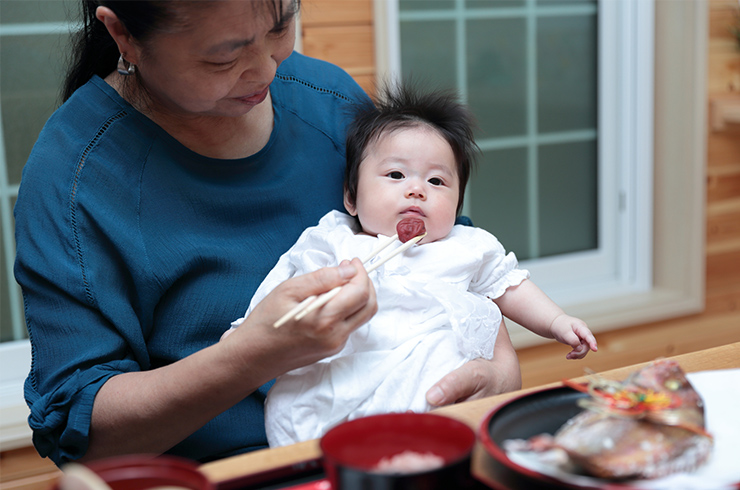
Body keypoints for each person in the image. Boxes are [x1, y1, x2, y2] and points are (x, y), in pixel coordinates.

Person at [13, 0, 523, 466]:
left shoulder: (329, 100)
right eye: (223, 57)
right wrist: (254, 355)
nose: (267, 69)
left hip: (400, 451)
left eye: (281, 27)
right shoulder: (75, 178)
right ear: (123, 34)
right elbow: (82, 431)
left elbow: (456, 254)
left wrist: (500, 374)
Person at [225, 85, 598, 447]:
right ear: (352, 197)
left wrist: (556, 322)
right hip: (338, 386)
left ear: (457, 206)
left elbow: (509, 285)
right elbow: (285, 286)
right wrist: (246, 333)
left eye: (437, 180)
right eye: (396, 175)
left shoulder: (466, 246)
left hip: (434, 388)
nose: (417, 189)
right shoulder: (332, 239)